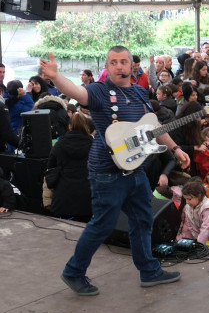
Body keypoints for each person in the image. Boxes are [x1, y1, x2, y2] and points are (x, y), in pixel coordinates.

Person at [41, 47, 190, 295]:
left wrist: (175, 149)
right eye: (113, 62)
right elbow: (76, 91)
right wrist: (56, 78)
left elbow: (154, 127)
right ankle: (73, 271)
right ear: (107, 67)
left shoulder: (141, 93)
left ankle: (149, 271)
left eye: (123, 62)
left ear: (132, 66)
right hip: (106, 173)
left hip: (135, 170)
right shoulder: (99, 92)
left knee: (143, 220)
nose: (119, 66)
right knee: (102, 225)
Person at [47, 112, 93, 222]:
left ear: (69, 126)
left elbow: (50, 166)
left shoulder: (60, 144)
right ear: (86, 126)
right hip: (88, 196)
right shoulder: (93, 144)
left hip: (64, 196)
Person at [176, 181, 209, 246]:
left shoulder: (208, 208)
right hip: (202, 241)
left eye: (189, 199)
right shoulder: (188, 207)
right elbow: (189, 225)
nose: (187, 202)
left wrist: (199, 245)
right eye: (185, 199)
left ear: (199, 196)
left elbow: (206, 228)